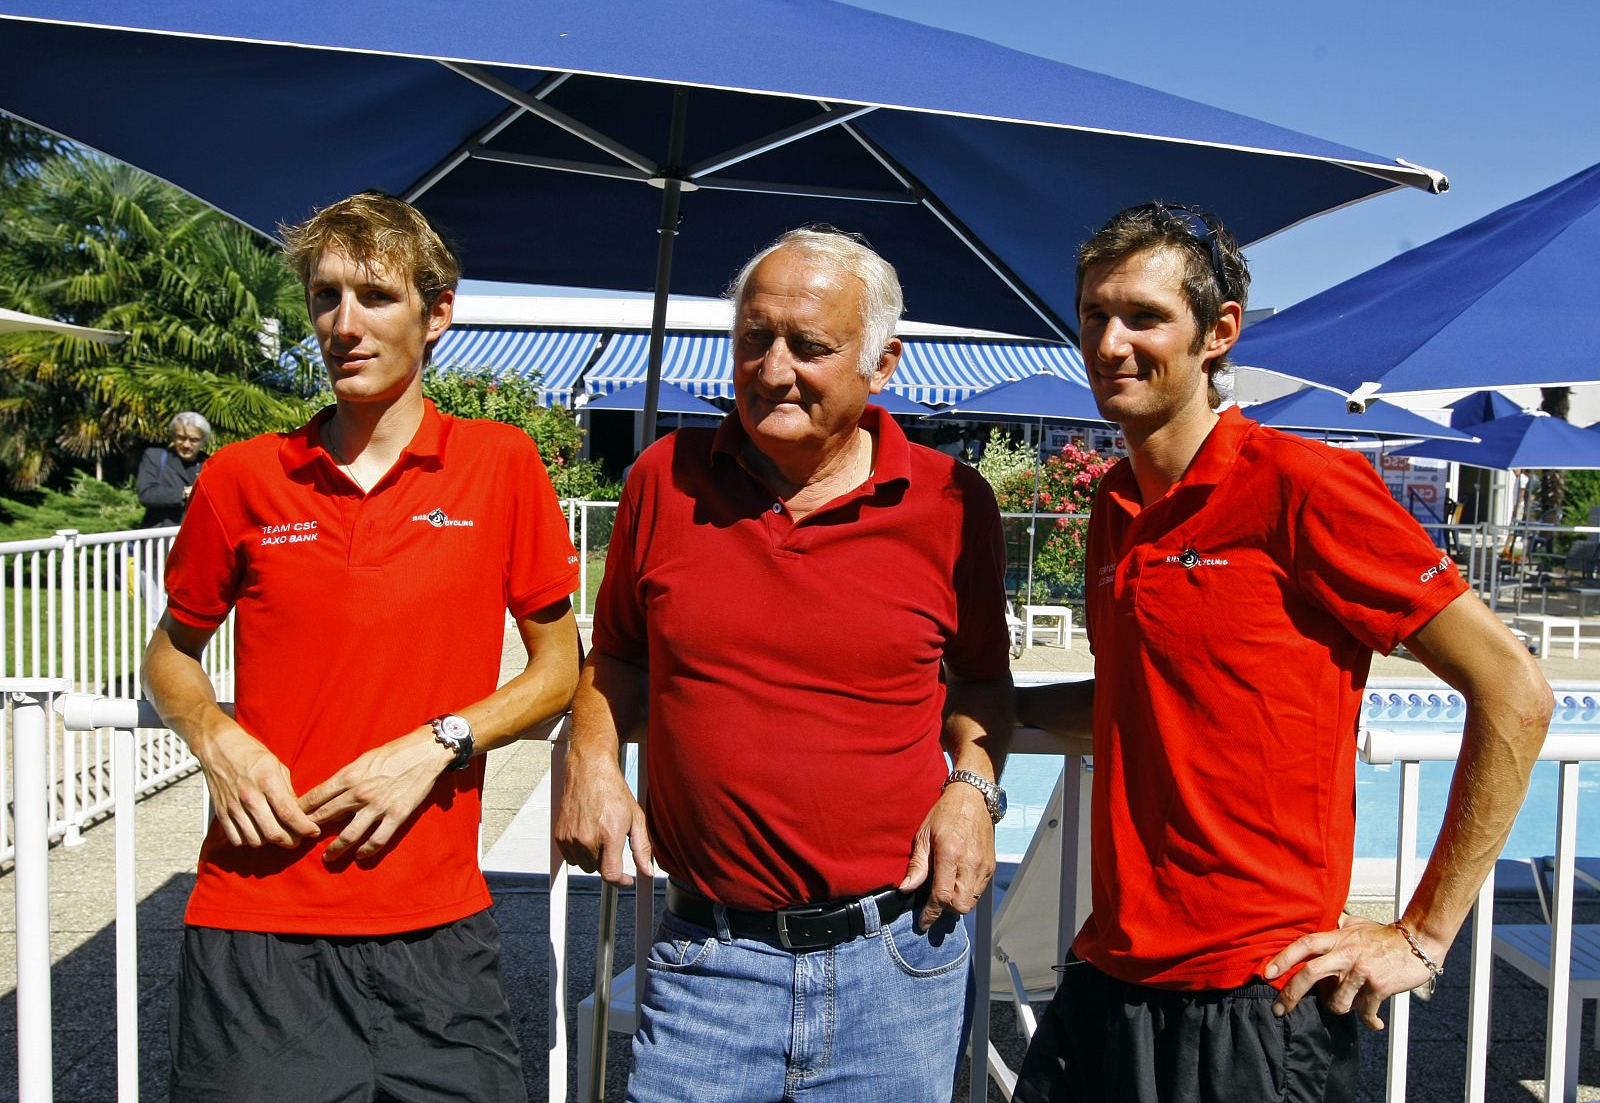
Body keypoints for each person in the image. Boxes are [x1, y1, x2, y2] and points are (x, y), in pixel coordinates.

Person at [1013, 202, 1552, 1103]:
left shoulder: (1304, 486)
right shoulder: (1114, 508)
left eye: (1144, 317)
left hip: (1257, 999)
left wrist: (1423, 934)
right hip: (1111, 973)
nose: (1110, 343)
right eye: (1094, 314)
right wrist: (995, 701)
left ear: (1218, 332)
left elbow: (1516, 688)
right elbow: (1135, 697)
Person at [555, 226, 1015, 1102]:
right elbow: (614, 653)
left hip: (896, 959)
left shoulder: (954, 504)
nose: (773, 370)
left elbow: (984, 685)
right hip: (707, 961)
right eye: (755, 338)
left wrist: (973, 787)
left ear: (884, 365)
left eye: (810, 347)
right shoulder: (664, 476)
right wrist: (591, 755)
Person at [141, 191, 582, 1103]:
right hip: (257, 922)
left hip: (437, 931)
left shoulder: (501, 465)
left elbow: (558, 669)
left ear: (438, 312)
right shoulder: (242, 477)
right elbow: (170, 655)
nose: (345, 323)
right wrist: (215, 739)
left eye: (375, 296)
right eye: (325, 297)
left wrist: (440, 740)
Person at [136, 411, 210, 527]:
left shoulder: (208, 464)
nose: (186, 445)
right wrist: (185, 493)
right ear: (173, 437)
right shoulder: (155, 457)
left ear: (203, 441)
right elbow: (146, 494)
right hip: (161, 540)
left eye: (193, 440)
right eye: (181, 438)